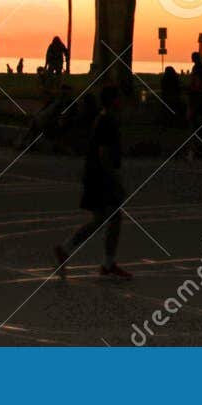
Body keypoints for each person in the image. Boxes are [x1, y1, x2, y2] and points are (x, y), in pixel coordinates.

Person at [53, 84, 130, 279]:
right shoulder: (107, 121)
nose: (123, 102)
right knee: (106, 218)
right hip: (100, 177)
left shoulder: (104, 119)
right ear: (114, 100)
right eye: (120, 97)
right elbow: (103, 154)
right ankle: (70, 250)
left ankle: (105, 262)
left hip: (96, 175)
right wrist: (115, 179)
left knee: (110, 218)